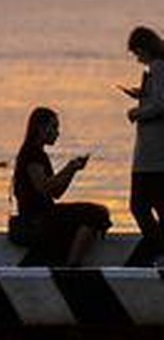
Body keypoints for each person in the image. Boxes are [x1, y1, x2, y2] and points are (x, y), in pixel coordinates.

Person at [11, 106, 110, 266]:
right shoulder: (31, 153)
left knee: (99, 213)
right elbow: (44, 188)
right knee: (95, 214)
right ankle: (72, 266)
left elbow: (56, 193)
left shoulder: (40, 154)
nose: (57, 133)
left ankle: (70, 261)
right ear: (40, 128)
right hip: (35, 218)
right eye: (54, 127)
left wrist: (73, 170)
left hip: (45, 213)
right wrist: (69, 168)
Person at [120, 25, 164, 264]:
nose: (137, 59)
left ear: (145, 48)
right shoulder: (158, 69)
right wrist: (142, 95)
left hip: (152, 155)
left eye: (137, 53)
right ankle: (158, 250)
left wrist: (136, 112)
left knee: (139, 205)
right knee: (158, 204)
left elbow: (160, 104)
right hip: (155, 155)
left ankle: (158, 250)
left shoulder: (158, 67)